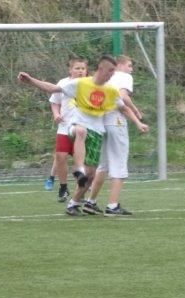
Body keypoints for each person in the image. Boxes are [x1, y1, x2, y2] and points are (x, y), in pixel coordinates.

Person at [17, 55, 148, 216]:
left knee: (90, 175)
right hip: (76, 127)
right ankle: (78, 168)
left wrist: (138, 123)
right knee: (80, 131)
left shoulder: (109, 90)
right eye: (110, 71)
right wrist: (30, 80)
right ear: (101, 69)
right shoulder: (81, 83)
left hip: (97, 133)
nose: (112, 75)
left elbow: (123, 108)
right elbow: (53, 89)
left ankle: (73, 203)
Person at [85, 55, 142, 216]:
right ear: (119, 65)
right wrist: (136, 113)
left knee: (103, 164)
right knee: (119, 162)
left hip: (100, 122)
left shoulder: (103, 79)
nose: (131, 69)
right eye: (129, 65)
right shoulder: (124, 77)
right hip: (116, 121)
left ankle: (90, 202)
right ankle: (112, 205)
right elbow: (123, 97)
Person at [44, 57, 88, 202]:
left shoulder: (90, 84)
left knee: (80, 161)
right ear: (70, 70)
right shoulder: (63, 83)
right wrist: (56, 114)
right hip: (64, 127)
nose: (80, 71)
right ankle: (63, 188)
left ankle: (80, 191)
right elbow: (54, 102)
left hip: (82, 129)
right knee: (61, 157)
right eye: (77, 68)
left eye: (83, 68)